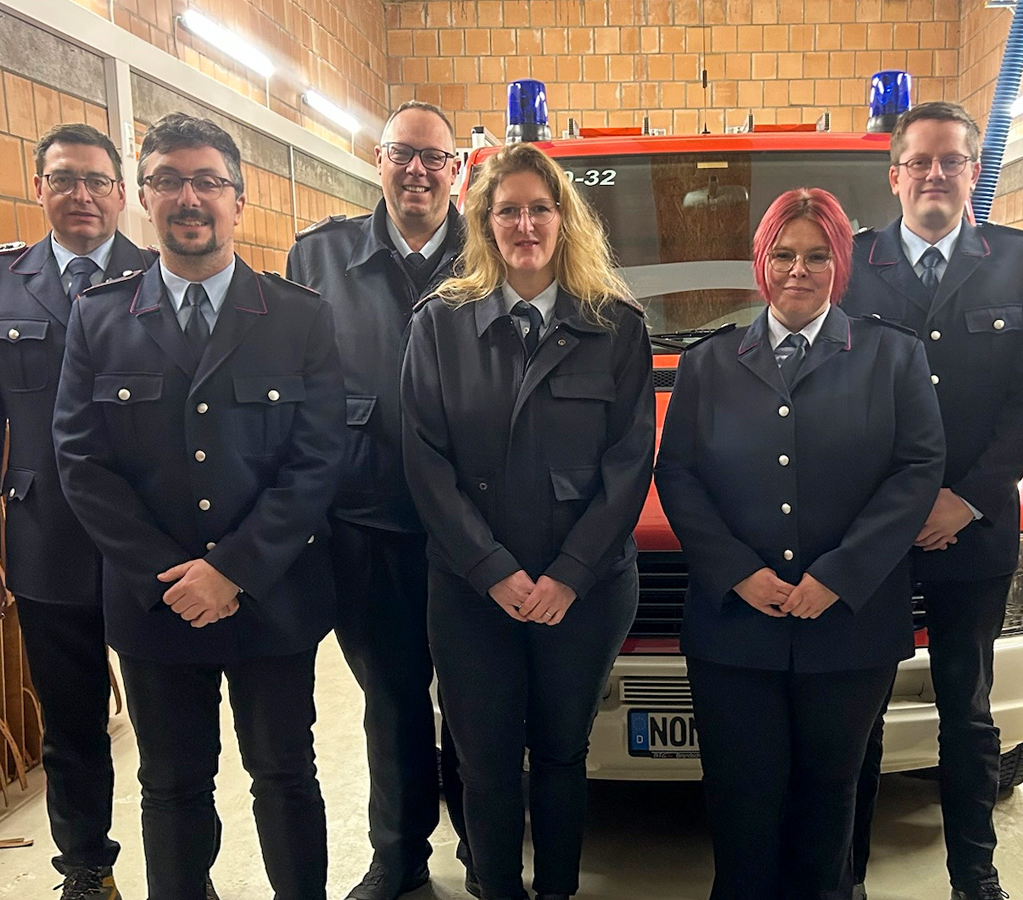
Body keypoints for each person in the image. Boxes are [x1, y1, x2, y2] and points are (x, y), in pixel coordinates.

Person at [53, 112, 346, 900]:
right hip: (155, 603)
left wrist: (233, 571)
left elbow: (319, 458)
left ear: (238, 201)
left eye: (208, 182)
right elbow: (82, 461)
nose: (190, 198)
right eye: (169, 182)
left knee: (285, 775)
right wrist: (172, 576)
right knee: (172, 785)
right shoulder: (100, 316)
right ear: (143, 197)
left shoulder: (299, 315)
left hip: (272, 596)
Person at [655, 187, 946, 900]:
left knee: (830, 799)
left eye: (817, 256)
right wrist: (737, 572)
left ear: (840, 263)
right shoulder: (708, 364)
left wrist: (840, 576)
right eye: (783, 254)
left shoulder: (892, 356)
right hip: (735, 628)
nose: (798, 270)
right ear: (761, 262)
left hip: (848, 627)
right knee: (741, 801)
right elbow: (678, 474)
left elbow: (917, 470)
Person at [400, 142, 654, 900]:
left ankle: (557, 890)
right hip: (472, 591)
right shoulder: (440, 325)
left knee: (561, 751)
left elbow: (629, 464)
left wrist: (568, 576)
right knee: (483, 759)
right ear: (484, 223)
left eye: (540, 209)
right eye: (507, 210)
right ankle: (498, 888)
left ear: (564, 219)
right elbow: (424, 461)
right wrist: (493, 572)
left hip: (585, 591)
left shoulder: (616, 326)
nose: (525, 225)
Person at [842, 101, 1023, 900]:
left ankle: (976, 875)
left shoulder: (1018, 261)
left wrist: (966, 500)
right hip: (872, 535)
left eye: (952, 161)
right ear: (894, 176)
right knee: (859, 711)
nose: (935, 174)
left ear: (974, 172)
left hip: (974, 528)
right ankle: (845, 876)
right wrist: (898, 511)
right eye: (920, 161)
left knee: (968, 712)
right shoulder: (851, 263)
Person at [0, 123, 152, 900]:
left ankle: (182, 867)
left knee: (173, 726)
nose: (82, 195)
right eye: (64, 179)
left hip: (148, 543)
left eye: (97, 180)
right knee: (71, 728)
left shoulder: (162, 273)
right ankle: (87, 870)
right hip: (46, 540)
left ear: (122, 194)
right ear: (38, 188)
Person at [285, 98, 473, 900]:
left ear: (456, 170)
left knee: (473, 699)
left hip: (473, 529)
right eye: (403, 154)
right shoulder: (319, 257)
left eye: (434, 158)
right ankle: (400, 857)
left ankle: (483, 846)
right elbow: (293, 393)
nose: (418, 172)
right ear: (379, 160)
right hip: (366, 524)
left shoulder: (492, 248)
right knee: (391, 700)